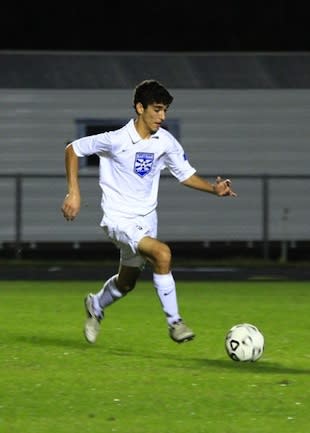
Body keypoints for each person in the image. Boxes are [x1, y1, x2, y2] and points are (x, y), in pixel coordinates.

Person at [61, 79, 237, 345]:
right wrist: (74, 192)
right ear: (139, 108)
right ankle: (175, 323)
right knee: (162, 253)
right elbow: (73, 149)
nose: (162, 116)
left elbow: (185, 174)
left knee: (127, 283)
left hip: (146, 220)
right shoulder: (117, 140)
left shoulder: (164, 142)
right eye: (157, 109)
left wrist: (214, 189)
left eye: (165, 110)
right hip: (118, 219)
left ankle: (96, 304)